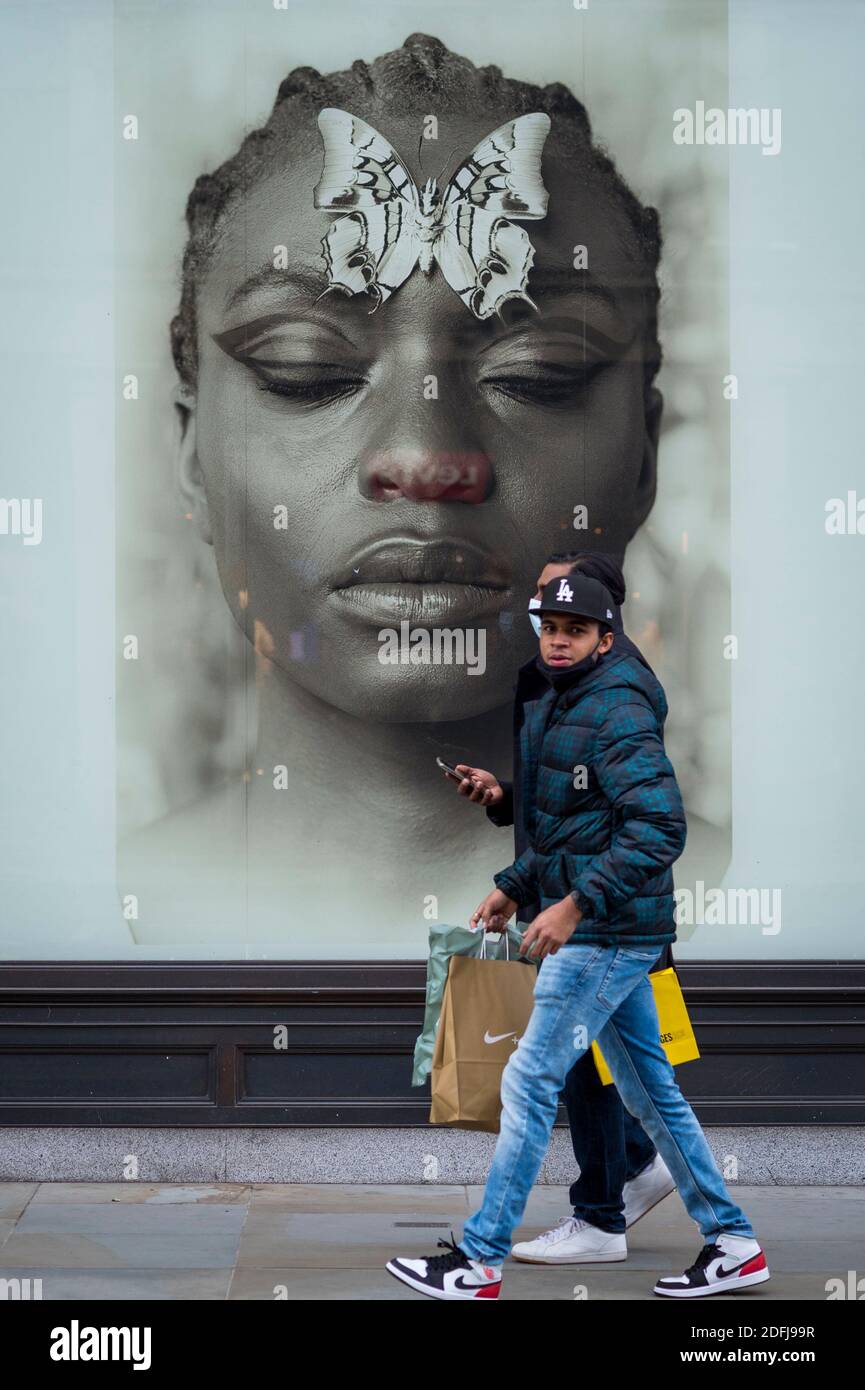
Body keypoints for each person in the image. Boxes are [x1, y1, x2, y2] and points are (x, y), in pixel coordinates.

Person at [124, 31, 672, 952]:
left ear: (645, 450)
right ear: (190, 451)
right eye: (305, 372)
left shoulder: (760, 920)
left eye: (538, 373)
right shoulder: (86, 918)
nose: (425, 461)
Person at [387, 571, 769, 1299]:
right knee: (651, 1094)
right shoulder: (568, 697)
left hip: (603, 933)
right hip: (603, 925)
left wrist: (570, 907)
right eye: (549, 629)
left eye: (574, 632)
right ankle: (732, 1242)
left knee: (528, 1081)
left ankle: (478, 1259)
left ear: (604, 636)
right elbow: (574, 824)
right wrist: (516, 886)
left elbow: (658, 827)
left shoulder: (615, 706)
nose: (557, 642)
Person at [446, 552, 675, 1265]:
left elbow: (642, 819)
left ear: (602, 620)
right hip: (575, 902)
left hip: (602, 915)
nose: (544, 607)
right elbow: (569, 800)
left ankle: (590, 1215)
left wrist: (570, 902)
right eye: (544, 597)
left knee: (571, 1073)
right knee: (626, 1075)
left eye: (558, 597)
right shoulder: (561, 675)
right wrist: (507, 813)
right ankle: (678, 1206)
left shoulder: (614, 686)